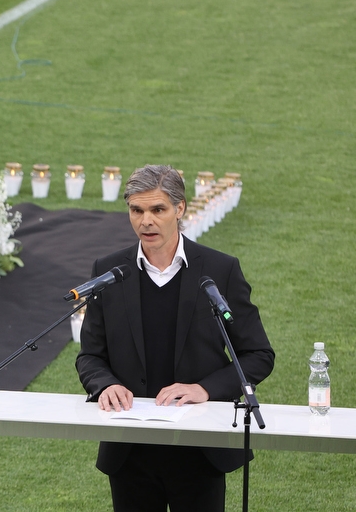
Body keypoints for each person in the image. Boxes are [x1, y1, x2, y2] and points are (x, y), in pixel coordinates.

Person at [76, 164, 275, 512]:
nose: (145, 221)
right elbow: (90, 356)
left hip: (200, 449)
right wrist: (105, 384)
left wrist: (205, 389)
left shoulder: (220, 269)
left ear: (179, 209)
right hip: (130, 450)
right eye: (136, 211)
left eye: (157, 210)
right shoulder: (109, 271)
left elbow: (258, 353)